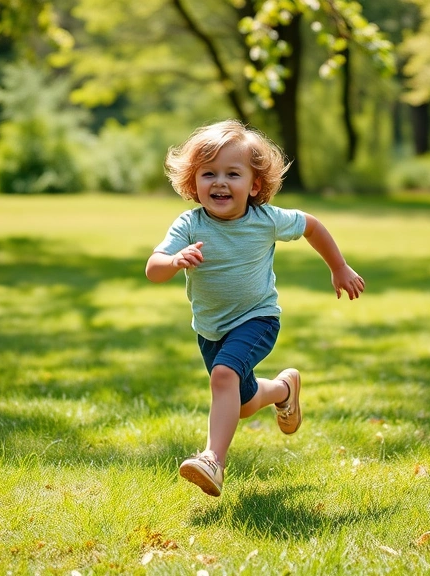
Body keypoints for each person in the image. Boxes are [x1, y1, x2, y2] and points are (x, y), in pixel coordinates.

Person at [145, 119, 365, 497]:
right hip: (211, 329)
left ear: (255, 184)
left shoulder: (265, 220)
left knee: (223, 376)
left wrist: (338, 267)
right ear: (193, 183)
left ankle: (213, 460)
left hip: (257, 319)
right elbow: (153, 269)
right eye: (209, 173)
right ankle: (282, 390)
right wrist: (174, 260)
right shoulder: (189, 224)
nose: (220, 182)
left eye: (233, 173)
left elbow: (311, 225)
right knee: (243, 404)